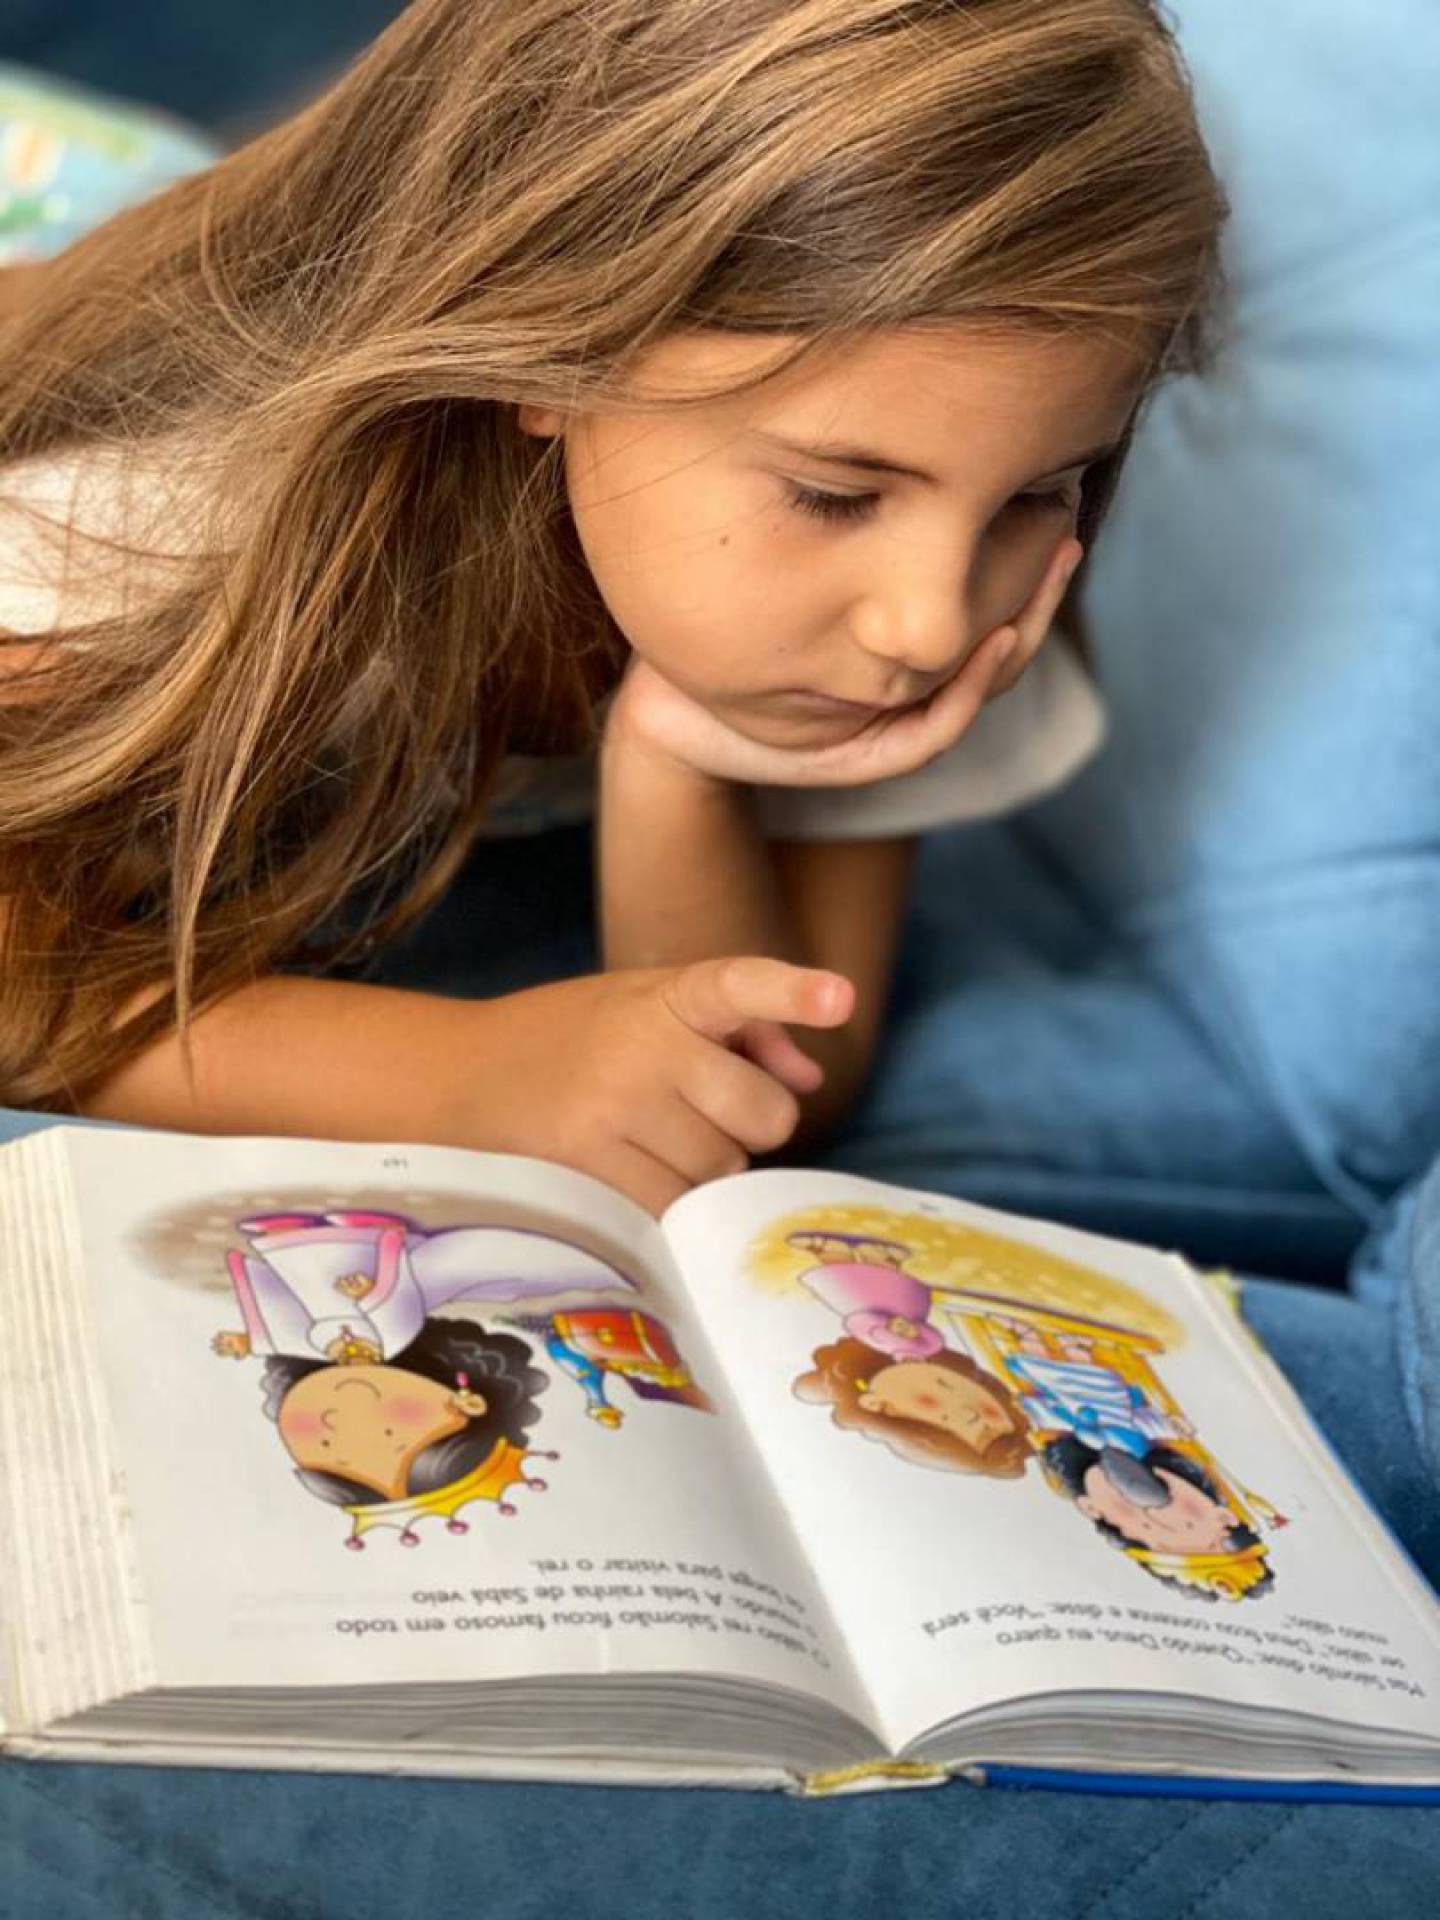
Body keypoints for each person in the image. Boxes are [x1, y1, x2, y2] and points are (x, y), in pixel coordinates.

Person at [0, 0, 1225, 1219]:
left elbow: (777, 1084)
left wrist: (673, 766)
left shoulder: (945, 539)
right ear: (549, 354)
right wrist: (459, 1076)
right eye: (832, 495)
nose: (929, 628)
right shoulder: (143, 522)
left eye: (1037, 495)